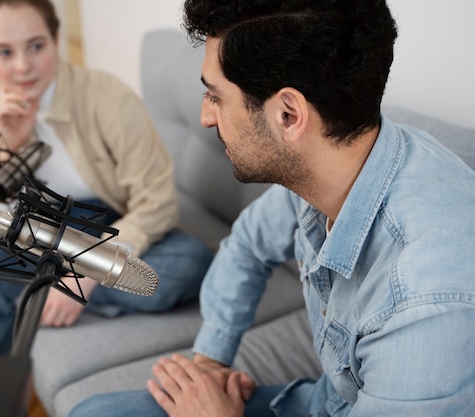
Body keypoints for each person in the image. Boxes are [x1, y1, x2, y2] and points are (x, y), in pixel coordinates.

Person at [68, 1, 475, 416]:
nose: (205, 116)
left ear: (288, 114)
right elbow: (246, 245)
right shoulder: (331, 165)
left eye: (215, 95)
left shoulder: (425, 304)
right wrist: (209, 363)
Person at [0, 0, 214, 395]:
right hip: (37, 230)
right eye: (4, 52)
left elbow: (157, 202)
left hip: (107, 223)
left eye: (36, 46)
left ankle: (42, 285)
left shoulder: (109, 99)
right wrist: (12, 148)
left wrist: (86, 273)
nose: (22, 66)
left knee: (190, 263)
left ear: (56, 40)